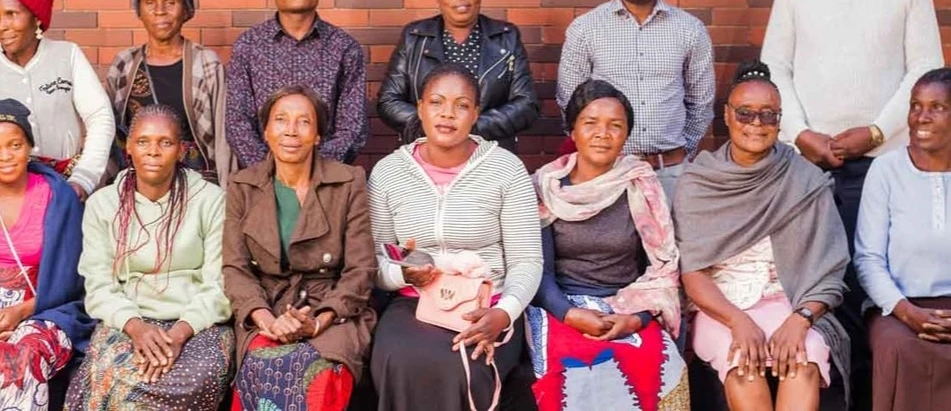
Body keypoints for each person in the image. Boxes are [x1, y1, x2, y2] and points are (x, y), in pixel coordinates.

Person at [760, 0, 944, 407]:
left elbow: (923, 71)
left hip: (883, 164)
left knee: (872, 284)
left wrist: (878, 131)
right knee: (818, 282)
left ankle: (870, 396)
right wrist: (801, 135)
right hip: (807, 165)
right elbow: (777, 69)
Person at [675, 61, 851, 411]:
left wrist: (801, 319)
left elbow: (830, 271)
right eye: (745, 113)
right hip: (723, 309)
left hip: (791, 301)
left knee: (803, 361)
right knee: (744, 366)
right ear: (726, 116)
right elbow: (693, 274)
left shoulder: (804, 178)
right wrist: (738, 321)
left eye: (768, 115)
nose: (756, 124)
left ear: (779, 121)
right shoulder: (699, 182)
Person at [368, 63, 543, 411]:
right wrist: (404, 272)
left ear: (476, 113)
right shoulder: (388, 173)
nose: (448, 114)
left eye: (462, 105)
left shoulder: (506, 170)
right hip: (413, 300)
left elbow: (527, 260)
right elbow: (377, 259)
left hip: (487, 303)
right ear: (420, 108)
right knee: (398, 359)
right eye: (436, 102)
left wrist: (505, 314)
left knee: (458, 367)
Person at [528, 80, 689, 410]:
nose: (603, 133)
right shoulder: (546, 188)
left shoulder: (640, 185)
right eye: (591, 123)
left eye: (615, 126)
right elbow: (537, 272)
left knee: (661, 366)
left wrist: (637, 319)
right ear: (572, 131)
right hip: (560, 305)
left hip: (628, 304)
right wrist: (570, 314)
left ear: (626, 135)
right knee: (577, 372)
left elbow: (661, 268)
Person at [66, 104, 234, 410]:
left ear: (181, 150)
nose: (153, 151)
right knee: (106, 372)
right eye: (143, 141)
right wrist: (136, 327)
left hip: (197, 323)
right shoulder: (103, 205)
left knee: (197, 377)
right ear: (128, 148)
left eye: (165, 142)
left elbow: (219, 284)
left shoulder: (210, 201)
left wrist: (179, 334)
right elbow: (98, 285)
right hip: (128, 319)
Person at [223, 86, 376, 411]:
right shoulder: (243, 185)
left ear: (318, 134)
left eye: (303, 121)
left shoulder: (349, 182)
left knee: (320, 371)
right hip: (268, 307)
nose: (291, 130)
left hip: (333, 311)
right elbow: (235, 270)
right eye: (281, 120)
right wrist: (266, 320)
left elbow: (361, 269)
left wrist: (319, 321)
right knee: (263, 362)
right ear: (266, 131)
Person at [556, 0, 714, 200]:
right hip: (605, 172)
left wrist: (678, 154)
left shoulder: (690, 30)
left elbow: (701, 103)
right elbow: (569, 103)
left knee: (675, 242)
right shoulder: (586, 29)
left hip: (670, 174)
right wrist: (597, 156)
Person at [377, 0, 539, 151]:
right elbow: (388, 101)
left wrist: (467, 127)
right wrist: (434, 128)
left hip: (490, 153)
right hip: (425, 153)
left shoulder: (506, 38)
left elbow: (526, 105)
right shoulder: (415, 37)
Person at [854, 68, 951, 411]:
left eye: (937, 107)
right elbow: (868, 259)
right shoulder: (886, 170)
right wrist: (907, 313)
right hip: (897, 307)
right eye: (915, 105)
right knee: (897, 348)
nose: (921, 116)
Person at [226, 0, 367, 167]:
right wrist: (270, 172)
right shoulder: (248, 45)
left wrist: (315, 171)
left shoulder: (344, 48)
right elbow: (237, 122)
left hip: (327, 182)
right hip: (262, 180)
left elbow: (353, 126)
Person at [0, 0, 115, 201]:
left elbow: (100, 117)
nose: (2, 26)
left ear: (36, 18)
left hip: (66, 192)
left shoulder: (67, 55)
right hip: (7, 199)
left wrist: (83, 179)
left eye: (11, 14)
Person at [0, 98, 92, 410]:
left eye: (15, 144)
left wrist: (22, 311)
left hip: (47, 309)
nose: (6, 156)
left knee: (18, 359)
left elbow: (72, 283)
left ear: (30, 147)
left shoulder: (57, 197)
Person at [106, 0, 232, 186]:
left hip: (196, 186)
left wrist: (226, 194)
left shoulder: (206, 64)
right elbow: (110, 133)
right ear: (139, 11)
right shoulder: (124, 64)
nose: (160, 11)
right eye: (150, 3)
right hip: (138, 187)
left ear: (186, 10)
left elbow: (223, 138)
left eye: (170, 3)